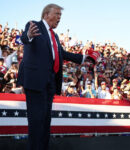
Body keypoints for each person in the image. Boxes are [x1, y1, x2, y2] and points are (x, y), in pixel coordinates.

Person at [17, 3, 98, 150]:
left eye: (60, 15)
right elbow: (24, 38)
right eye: (57, 14)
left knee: (45, 121)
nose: (59, 18)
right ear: (46, 14)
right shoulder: (34, 25)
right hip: (35, 80)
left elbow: (62, 54)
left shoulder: (54, 35)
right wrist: (28, 36)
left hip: (50, 82)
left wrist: (84, 58)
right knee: (36, 120)